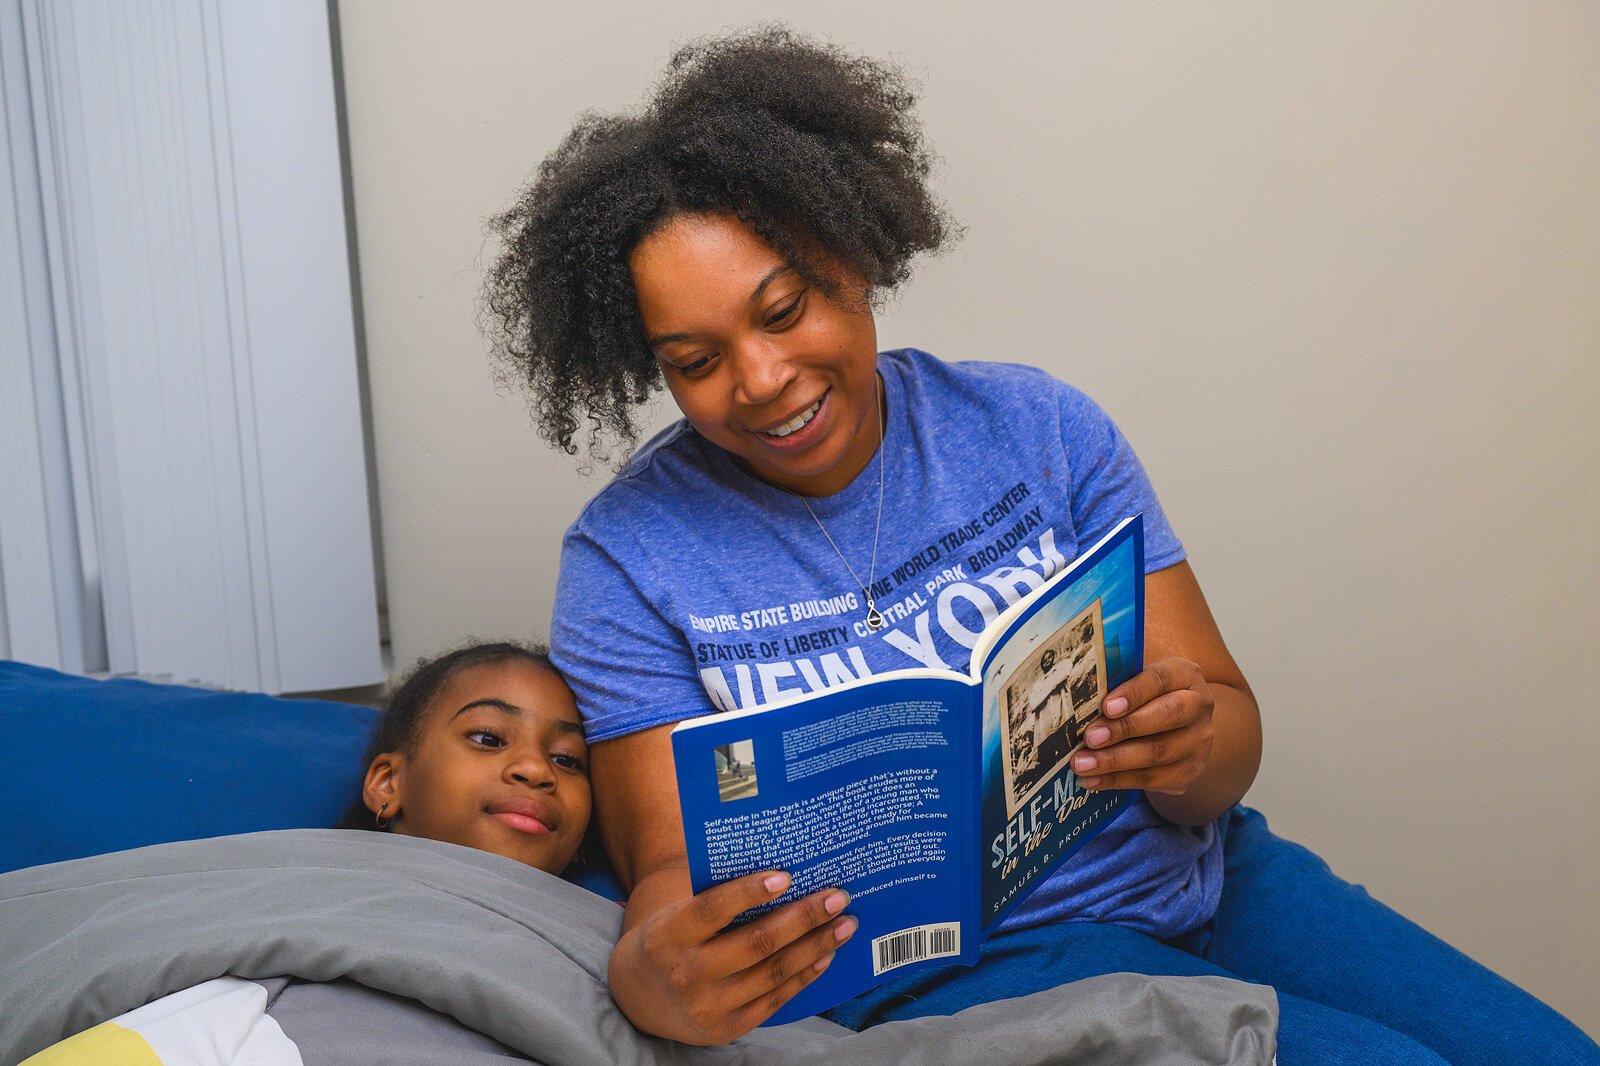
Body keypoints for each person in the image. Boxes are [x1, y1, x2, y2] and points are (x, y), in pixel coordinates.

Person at [481, 27, 1600, 1064]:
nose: (760, 381)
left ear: (851, 259)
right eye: (694, 358)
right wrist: (658, 969)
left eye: (783, 311)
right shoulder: (629, 560)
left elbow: (1226, 738)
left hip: (1218, 883)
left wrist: (1187, 739)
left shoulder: (1037, 428)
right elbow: (672, 878)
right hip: (989, 976)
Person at [345, 641, 591, 877]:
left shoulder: (617, 918)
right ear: (389, 783)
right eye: (488, 739)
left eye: (565, 759)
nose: (536, 769)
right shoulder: (313, 881)